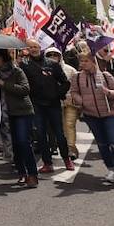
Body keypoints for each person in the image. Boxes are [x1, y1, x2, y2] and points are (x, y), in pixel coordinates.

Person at [70, 50, 114, 185]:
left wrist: (108, 92)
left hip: (111, 114)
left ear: (93, 62)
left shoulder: (105, 75)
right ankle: (111, 170)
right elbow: (74, 92)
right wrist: (82, 101)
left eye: (86, 61)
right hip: (92, 116)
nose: (82, 64)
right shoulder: (77, 77)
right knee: (102, 144)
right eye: (81, 61)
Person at [20, 38, 73, 173]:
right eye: (30, 47)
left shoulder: (52, 64)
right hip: (37, 105)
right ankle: (47, 163)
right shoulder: (24, 65)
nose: (33, 49)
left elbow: (65, 83)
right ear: (27, 49)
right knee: (41, 135)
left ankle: (67, 159)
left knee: (59, 134)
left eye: (35, 46)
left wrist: (57, 94)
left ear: (40, 47)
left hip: (53, 104)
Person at [0, 47, 38, 187]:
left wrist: (5, 84)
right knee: (15, 145)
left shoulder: (17, 71)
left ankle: (32, 175)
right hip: (4, 114)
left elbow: (25, 89)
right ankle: (22, 173)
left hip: (22, 112)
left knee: (23, 143)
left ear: (1, 57)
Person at [57, 46, 82, 163]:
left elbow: (77, 85)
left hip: (71, 102)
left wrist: (73, 97)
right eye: (49, 55)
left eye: (55, 55)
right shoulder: (45, 69)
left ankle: (71, 149)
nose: (53, 58)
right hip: (56, 102)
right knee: (61, 126)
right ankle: (65, 147)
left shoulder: (70, 70)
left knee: (69, 124)